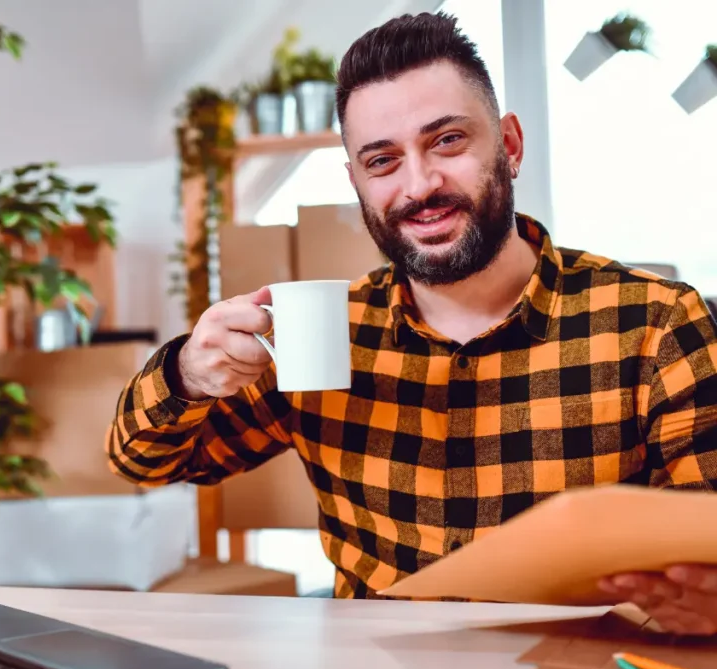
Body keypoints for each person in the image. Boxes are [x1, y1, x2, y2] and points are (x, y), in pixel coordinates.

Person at [105, 12, 717, 634]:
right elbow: (142, 463)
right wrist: (186, 373)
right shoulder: (319, 334)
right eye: (382, 160)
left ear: (508, 145)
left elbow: (708, 546)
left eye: (447, 140)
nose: (419, 185)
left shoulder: (656, 324)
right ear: (357, 182)